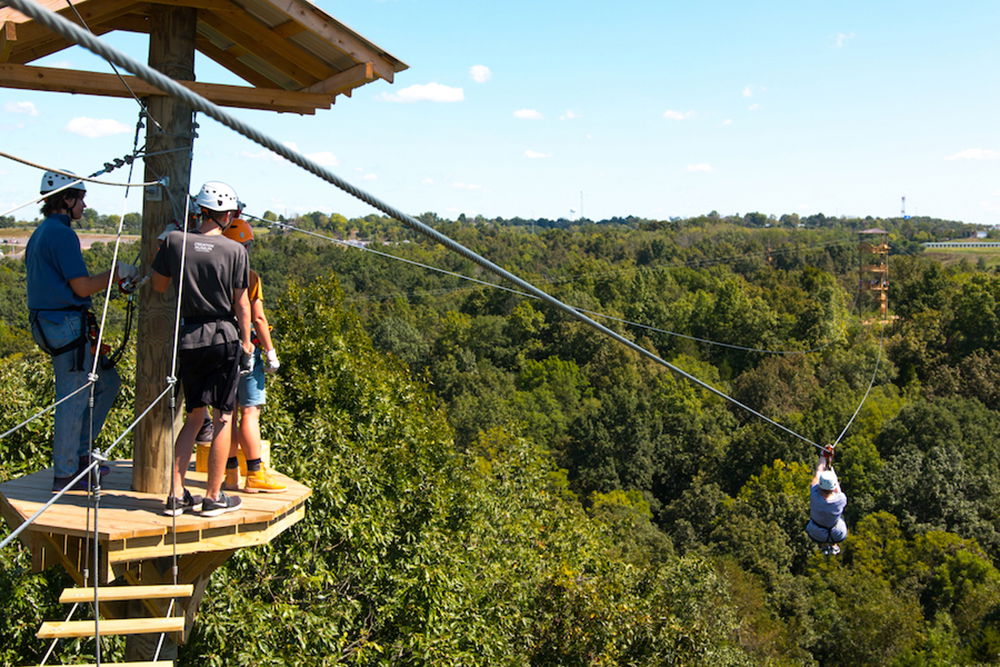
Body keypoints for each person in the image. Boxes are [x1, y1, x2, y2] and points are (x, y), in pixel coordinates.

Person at [26, 169, 135, 491]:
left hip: (56, 324)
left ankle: (80, 455)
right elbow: (83, 287)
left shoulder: (43, 231)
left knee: (106, 382)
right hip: (65, 325)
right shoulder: (61, 234)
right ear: (68, 199)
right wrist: (116, 273)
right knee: (73, 397)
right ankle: (67, 473)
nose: (85, 205)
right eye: (82, 198)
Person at [151, 181, 253, 517]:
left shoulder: (175, 242)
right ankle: (212, 496)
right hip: (223, 336)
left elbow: (159, 285)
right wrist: (248, 342)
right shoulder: (235, 251)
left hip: (189, 336)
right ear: (225, 215)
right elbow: (241, 303)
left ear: (199, 210)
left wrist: (166, 249)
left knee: (194, 418)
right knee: (223, 418)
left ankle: (176, 494)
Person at [220, 217, 285, 493]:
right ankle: (255, 473)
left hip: (217, 344)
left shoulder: (213, 270)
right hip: (245, 348)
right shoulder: (250, 277)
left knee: (226, 413)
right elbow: (257, 317)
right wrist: (270, 352)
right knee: (249, 412)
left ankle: (231, 473)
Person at [805, 446, 848, 555]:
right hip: (837, 533)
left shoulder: (814, 494)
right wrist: (831, 466)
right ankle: (832, 544)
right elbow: (836, 488)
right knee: (839, 518)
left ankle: (824, 544)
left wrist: (823, 455)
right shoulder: (841, 499)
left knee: (820, 526)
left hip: (817, 532)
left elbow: (819, 471)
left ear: (820, 485)